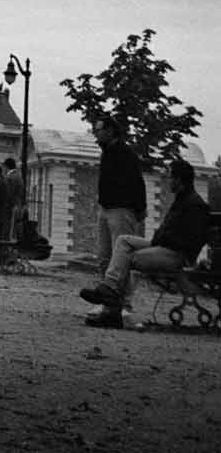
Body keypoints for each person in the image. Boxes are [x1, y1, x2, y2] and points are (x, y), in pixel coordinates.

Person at [80, 158, 211, 327]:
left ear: (179, 180)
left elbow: (192, 241)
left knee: (129, 257)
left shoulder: (195, 205)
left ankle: (111, 307)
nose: (168, 180)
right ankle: (110, 288)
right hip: (162, 247)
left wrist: (163, 238)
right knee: (123, 241)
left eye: (171, 177)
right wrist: (161, 238)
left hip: (176, 255)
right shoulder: (182, 199)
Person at [90, 114, 146, 316]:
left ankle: (125, 304)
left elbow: (137, 182)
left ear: (110, 131)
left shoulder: (124, 153)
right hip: (107, 209)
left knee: (121, 258)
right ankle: (108, 301)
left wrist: (139, 209)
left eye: (98, 130)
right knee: (105, 257)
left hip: (122, 210)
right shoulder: (108, 153)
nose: (95, 135)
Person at [3, 157, 25, 243]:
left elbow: (9, 194)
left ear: (6, 166)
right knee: (14, 229)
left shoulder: (10, 177)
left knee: (9, 229)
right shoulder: (18, 176)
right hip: (17, 204)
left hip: (11, 206)